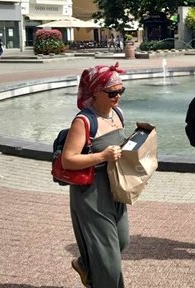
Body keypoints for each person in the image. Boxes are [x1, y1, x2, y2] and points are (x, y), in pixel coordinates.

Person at [62, 62, 128, 287]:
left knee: (121, 241)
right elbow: (68, 159)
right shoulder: (83, 121)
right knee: (109, 262)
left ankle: (87, 266)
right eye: (112, 92)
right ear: (96, 91)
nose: (117, 96)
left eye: (121, 91)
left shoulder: (117, 113)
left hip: (115, 189)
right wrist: (102, 156)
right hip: (91, 194)